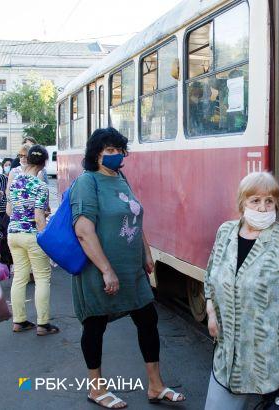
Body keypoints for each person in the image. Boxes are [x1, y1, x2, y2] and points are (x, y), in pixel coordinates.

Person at [71, 128, 186, 408]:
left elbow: (135, 217)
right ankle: (96, 389)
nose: (116, 155)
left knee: (147, 320)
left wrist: (146, 253)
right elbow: (83, 230)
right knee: (95, 325)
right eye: (109, 150)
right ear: (96, 153)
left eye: (119, 150)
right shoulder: (87, 182)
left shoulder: (121, 179)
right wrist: (106, 270)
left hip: (132, 269)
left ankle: (156, 385)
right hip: (100, 269)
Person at [204, 172, 279, 410]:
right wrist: (211, 310)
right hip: (229, 357)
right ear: (242, 203)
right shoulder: (225, 233)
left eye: (269, 201)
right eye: (255, 200)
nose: (263, 207)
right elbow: (210, 278)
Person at [7, 145, 58, 335]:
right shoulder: (40, 186)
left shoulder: (15, 182)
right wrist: (46, 239)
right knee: (42, 277)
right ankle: (43, 324)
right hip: (31, 235)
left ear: (26, 159)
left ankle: (19, 321)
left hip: (13, 234)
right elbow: (38, 217)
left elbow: (10, 211)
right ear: (44, 163)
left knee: (19, 277)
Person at [0, 158, 13, 268]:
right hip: (1, 211)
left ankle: (8, 262)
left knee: (7, 236)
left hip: (9, 212)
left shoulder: (15, 178)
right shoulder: (1, 178)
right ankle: (4, 262)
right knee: (3, 236)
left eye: (9, 165)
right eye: (6, 165)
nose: (7, 166)